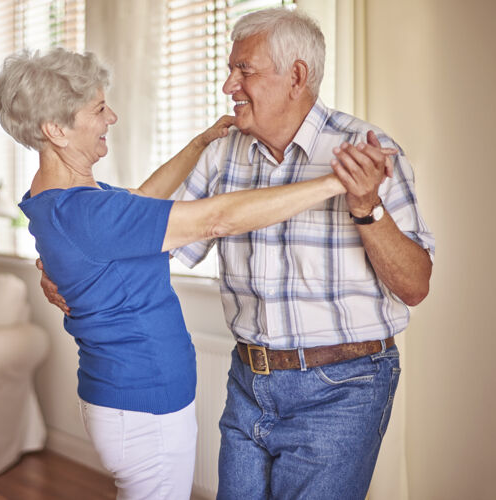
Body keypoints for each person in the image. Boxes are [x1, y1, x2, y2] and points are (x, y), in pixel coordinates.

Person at [38, 8, 434, 500]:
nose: (229, 85)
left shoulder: (366, 152)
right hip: (250, 383)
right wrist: (65, 262)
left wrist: (366, 206)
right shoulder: (223, 155)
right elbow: (145, 239)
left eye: (244, 70)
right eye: (230, 69)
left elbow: (415, 285)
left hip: (342, 389)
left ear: (296, 76)